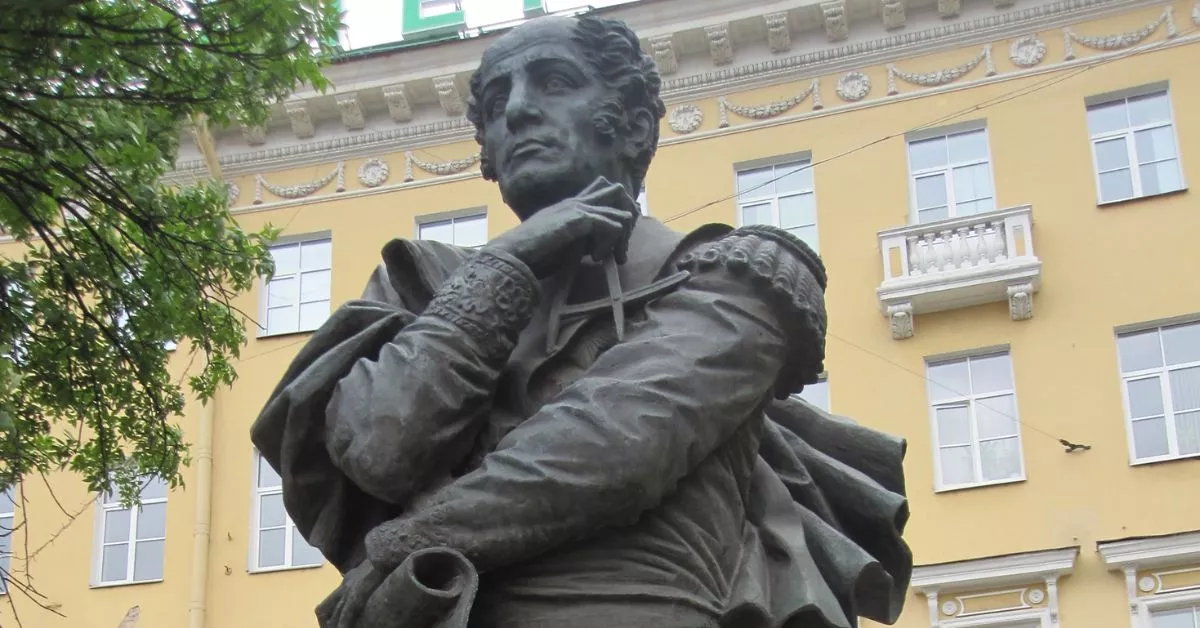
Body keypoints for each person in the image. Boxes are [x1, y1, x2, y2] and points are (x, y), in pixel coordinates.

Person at [251, 14, 912, 628]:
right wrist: (509, 263)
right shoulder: (420, 283)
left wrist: (408, 544)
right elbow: (378, 449)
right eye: (495, 103)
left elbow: (618, 442)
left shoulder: (750, 273)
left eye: (554, 81)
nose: (517, 109)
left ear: (631, 125)